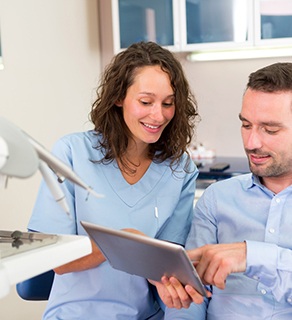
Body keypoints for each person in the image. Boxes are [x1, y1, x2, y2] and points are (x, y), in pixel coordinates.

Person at [27, 41, 200, 320]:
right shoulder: (70, 154)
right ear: (119, 97)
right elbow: (55, 260)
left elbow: (169, 264)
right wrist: (127, 241)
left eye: (168, 104)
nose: (158, 115)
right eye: (145, 102)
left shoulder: (179, 168)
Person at [155, 62, 292, 319]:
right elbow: (191, 296)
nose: (251, 143)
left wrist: (253, 257)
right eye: (246, 125)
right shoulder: (217, 199)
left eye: (270, 129)